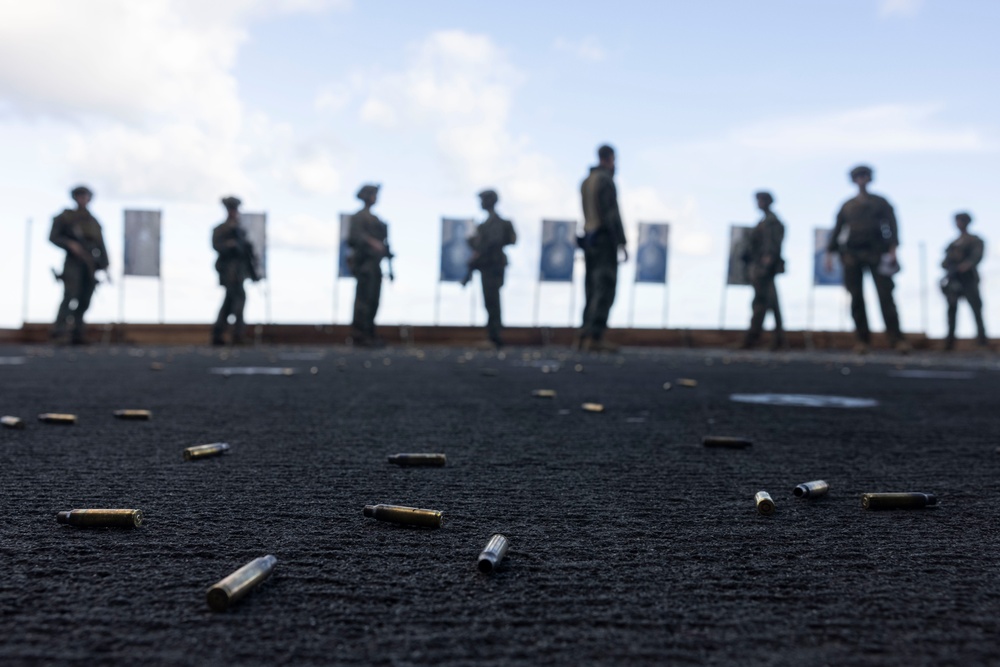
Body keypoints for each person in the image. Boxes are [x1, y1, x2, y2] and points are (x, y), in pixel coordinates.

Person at [826, 165, 908, 354]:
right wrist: (829, 256)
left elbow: (892, 226)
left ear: (869, 178)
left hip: (877, 253)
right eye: (858, 177)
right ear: (854, 180)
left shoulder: (880, 202)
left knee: (886, 297)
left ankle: (896, 340)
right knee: (856, 298)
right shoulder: (847, 206)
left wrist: (893, 250)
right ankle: (862, 341)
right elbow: (837, 230)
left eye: (865, 176)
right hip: (852, 255)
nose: (862, 180)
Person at [578, 144, 628, 352]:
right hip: (604, 241)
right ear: (609, 159)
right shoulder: (605, 180)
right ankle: (594, 336)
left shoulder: (586, 181)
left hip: (590, 241)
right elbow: (611, 214)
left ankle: (584, 335)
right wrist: (621, 242)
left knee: (590, 288)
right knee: (605, 287)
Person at [49, 185, 109, 344]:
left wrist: (104, 264)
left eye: (85, 196)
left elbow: (101, 245)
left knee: (85, 298)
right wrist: (69, 244)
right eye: (79, 195)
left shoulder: (93, 221)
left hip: (90, 264)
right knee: (70, 294)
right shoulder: (66, 217)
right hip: (73, 262)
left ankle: (77, 333)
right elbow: (53, 237)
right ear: (75, 197)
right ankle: (59, 332)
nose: (82, 199)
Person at [462, 189, 517, 348]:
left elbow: (496, 242)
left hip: (493, 265)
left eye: (483, 200)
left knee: (492, 301)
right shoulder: (485, 225)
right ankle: (493, 335)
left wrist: (479, 251)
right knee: (490, 301)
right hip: (487, 266)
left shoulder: (497, 224)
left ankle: (495, 336)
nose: (481, 203)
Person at [348, 184, 392, 347]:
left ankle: (369, 332)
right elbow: (354, 238)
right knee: (364, 300)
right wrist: (372, 243)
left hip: (375, 264)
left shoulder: (376, 219)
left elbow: (384, 244)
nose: (375, 197)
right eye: (373, 194)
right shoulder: (359, 217)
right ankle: (360, 334)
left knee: (373, 299)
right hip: (365, 264)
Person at [211, 196, 259, 346]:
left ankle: (220, 335)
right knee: (237, 301)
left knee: (230, 303)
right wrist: (229, 244)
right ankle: (236, 335)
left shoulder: (240, 230)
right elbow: (217, 246)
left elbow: (247, 254)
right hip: (229, 272)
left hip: (240, 272)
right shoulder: (222, 229)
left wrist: (253, 273)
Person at [741, 191, 786, 349]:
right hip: (762, 267)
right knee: (772, 302)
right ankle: (778, 339)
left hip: (764, 268)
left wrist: (765, 265)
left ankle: (753, 338)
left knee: (761, 302)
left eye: (761, 200)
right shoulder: (765, 221)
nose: (758, 203)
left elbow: (771, 246)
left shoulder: (771, 222)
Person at [941, 212, 988, 350]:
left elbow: (975, 258)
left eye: (961, 221)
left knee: (976, 309)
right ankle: (949, 342)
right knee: (952, 309)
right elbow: (945, 262)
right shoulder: (953, 243)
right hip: (954, 280)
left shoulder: (974, 240)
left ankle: (982, 341)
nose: (958, 224)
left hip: (968, 280)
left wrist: (964, 266)